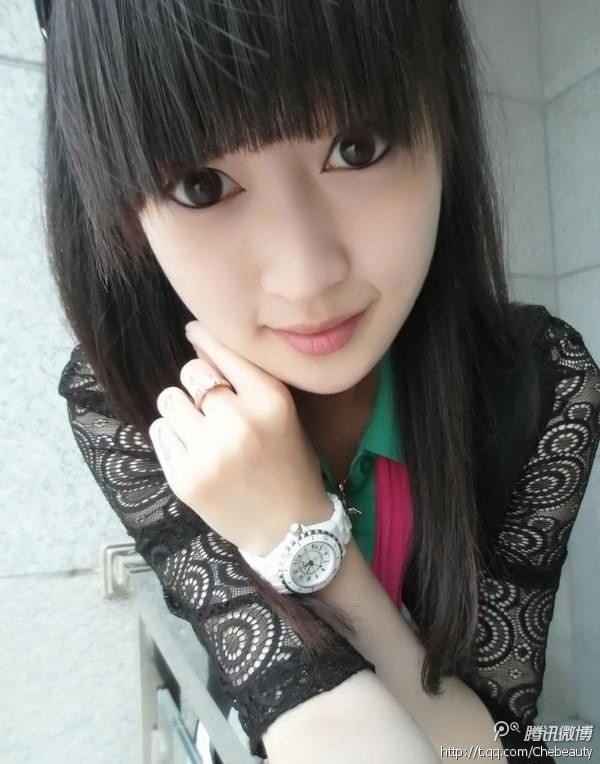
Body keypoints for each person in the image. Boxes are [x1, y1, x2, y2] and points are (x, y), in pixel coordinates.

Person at [38, 1, 599, 762]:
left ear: (444, 127)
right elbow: (313, 718)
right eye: (201, 185)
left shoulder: (537, 383)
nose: (308, 277)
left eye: (357, 147)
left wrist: (300, 537)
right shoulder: (133, 397)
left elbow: (494, 746)